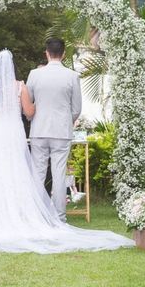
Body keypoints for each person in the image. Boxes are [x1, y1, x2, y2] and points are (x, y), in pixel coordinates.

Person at [0, 50, 133, 253]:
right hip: (13, 134)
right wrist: (39, 104)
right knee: (18, 172)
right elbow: (29, 112)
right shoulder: (19, 86)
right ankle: (32, 214)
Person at [27, 38, 82, 222]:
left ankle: (35, 215)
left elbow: (28, 105)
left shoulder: (34, 74)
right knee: (59, 174)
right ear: (64, 54)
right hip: (61, 131)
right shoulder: (72, 76)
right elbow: (76, 109)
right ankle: (59, 217)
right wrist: (67, 121)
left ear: (46, 53)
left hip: (39, 130)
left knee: (38, 173)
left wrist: (30, 118)